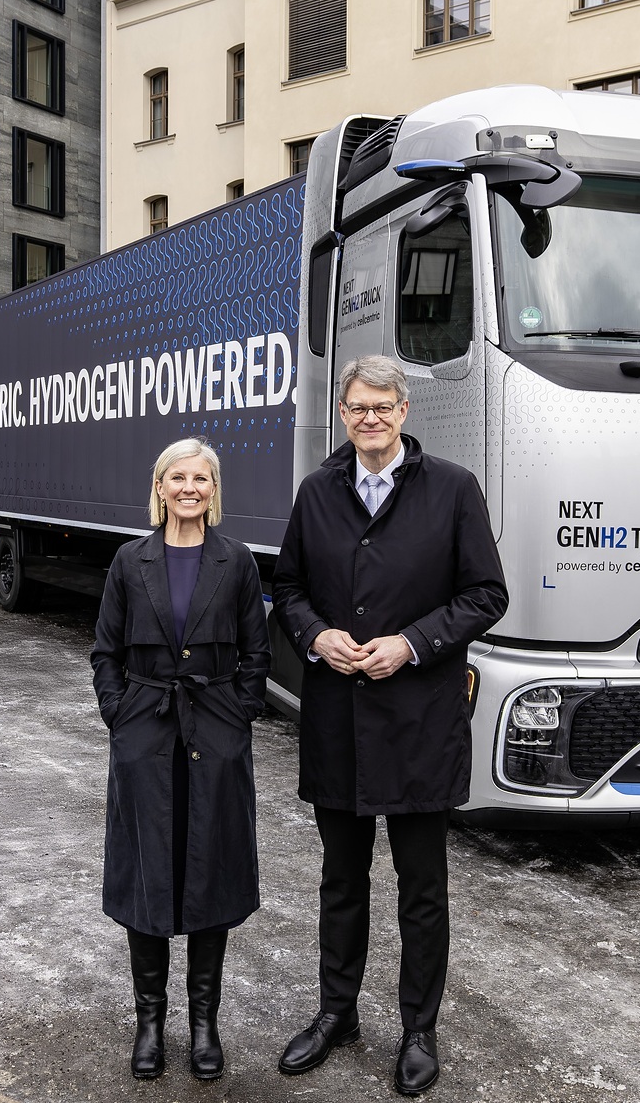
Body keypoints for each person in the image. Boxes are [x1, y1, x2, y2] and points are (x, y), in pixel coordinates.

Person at [271, 355, 509, 1097]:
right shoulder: (317, 492)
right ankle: (336, 1013)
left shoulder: (453, 490)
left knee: (421, 888)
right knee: (341, 880)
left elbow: (486, 594)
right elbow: (288, 587)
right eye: (357, 408)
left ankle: (418, 1029)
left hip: (419, 723)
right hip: (338, 721)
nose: (369, 419)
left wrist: (412, 643)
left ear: (405, 411)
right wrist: (317, 636)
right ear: (343, 415)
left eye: (382, 407)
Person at [92, 438, 271, 1081]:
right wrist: (120, 714)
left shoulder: (237, 560)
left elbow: (257, 652)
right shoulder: (129, 560)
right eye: (178, 477)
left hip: (214, 734)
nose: (189, 488)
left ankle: (203, 1025)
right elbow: (105, 651)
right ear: (160, 487)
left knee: (208, 871)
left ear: (214, 489)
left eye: (201, 478)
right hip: (145, 732)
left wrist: (238, 715)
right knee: (148, 870)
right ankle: (149, 1024)